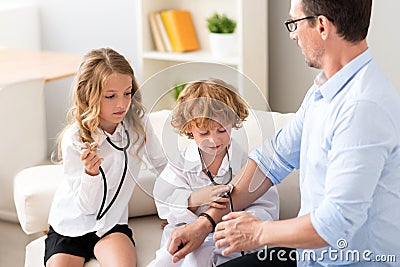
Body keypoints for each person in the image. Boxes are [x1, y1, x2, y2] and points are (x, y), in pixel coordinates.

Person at [166, 0, 400, 266]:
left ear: (321, 25)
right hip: (313, 258)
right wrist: (204, 223)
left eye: (295, 23)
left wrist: (258, 233)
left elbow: (337, 222)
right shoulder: (322, 94)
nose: (293, 34)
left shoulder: (362, 108)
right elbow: (271, 159)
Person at [45, 48, 166, 267]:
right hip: (70, 226)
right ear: (88, 95)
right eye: (110, 96)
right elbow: (87, 208)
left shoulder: (138, 125)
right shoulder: (75, 138)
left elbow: (163, 167)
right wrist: (90, 174)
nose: (121, 104)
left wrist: (174, 210)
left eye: (127, 93)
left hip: (111, 225)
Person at [149, 79, 280, 266]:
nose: (214, 140)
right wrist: (193, 200)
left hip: (229, 240)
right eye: (204, 133)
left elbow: (266, 206)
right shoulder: (179, 164)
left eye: (221, 130)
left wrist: (240, 219)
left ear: (233, 122)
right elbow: (164, 200)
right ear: (189, 129)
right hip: (185, 238)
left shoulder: (248, 164)